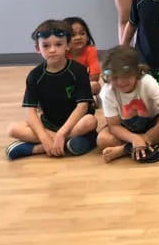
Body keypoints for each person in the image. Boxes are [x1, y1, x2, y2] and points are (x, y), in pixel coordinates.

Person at [6, 20, 98, 160]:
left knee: (90, 121)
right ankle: (62, 144)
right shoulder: (35, 75)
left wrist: (62, 133)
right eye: (46, 45)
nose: (52, 50)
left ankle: (36, 148)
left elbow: (82, 107)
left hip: (74, 124)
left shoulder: (78, 71)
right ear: (38, 48)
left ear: (68, 45)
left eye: (58, 44)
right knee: (12, 129)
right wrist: (44, 137)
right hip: (49, 124)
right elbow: (30, 111)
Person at [96, 46, 159, 163]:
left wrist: (147, 137)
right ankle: (142, 145)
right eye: (115, 78)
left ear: (137, 72)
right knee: (103, 140)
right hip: (126, 128)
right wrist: (134, 138)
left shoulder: (146, 82)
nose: (121, 82)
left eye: (126, 76)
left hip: (152, 123)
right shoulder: (107, 92)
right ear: (108, 77)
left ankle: (125, 149)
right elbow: (114, 126)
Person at [65, 16, 101, 95]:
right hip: (64, 85)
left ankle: (86, 98)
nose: (78, 37)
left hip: (83, 85)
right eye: (73, 35)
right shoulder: (62, 52)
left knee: (95, 86)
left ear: (87, 36)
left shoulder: (90, 50)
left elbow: (95, 76)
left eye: (82, 33)